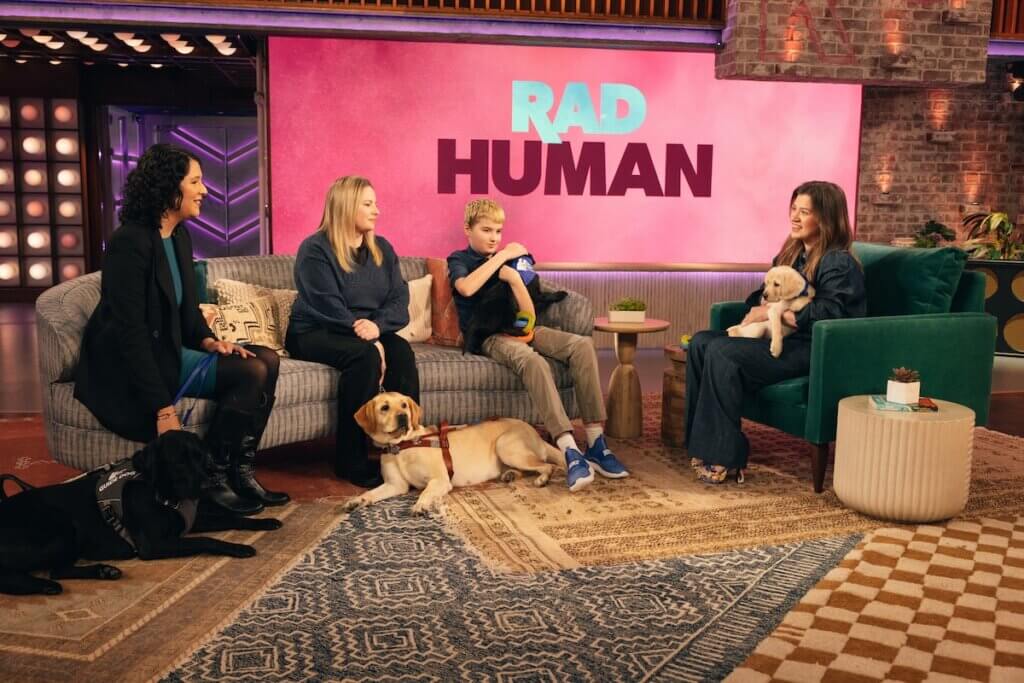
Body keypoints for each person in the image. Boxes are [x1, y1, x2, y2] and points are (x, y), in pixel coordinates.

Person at [75, 143, 289, 514]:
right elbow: (131, 333)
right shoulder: (130, 242)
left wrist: (209, 340)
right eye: (196, 181)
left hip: (169, 349)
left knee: (266, 358)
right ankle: (213, 480)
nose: (204, 190)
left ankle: (239, 471)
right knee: (252, 370)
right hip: (129, 366)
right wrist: (162, 409)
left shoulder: (178, 235)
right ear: (169, 187)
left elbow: (186, 309)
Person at [685, 180, 866, 484]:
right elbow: (762, 294)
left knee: (722, 352)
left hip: (811, 349)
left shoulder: (839, 262)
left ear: (825, 218)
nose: (794, 217)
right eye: (793, 208)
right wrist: (761, 307)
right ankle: (702, 445)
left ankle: (726, 458)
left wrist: (777, 311)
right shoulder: (792, 253)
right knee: (702, 342)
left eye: (804, 211)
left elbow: (830, 314)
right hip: (780, 336)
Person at [447, 198, 628, 493]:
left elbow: (528, 314)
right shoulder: (459, 259)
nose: (494, 237)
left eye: (499, 231)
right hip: (490, 335)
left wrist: (517, 282)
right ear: (467, 229)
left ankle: (595, 443)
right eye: (486, 230)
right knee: (533, 361)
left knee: (581, 345)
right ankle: (568, 449)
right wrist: (502, 262)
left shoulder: (509, 262)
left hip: (522, 326)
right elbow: (466, 287)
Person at [286, 176, 419, 488]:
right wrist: (370, 340)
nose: (377, 211)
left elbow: (400, 300)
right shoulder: (315, 249)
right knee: (364, 359)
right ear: (346, 207)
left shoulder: (381, 249)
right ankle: (351, 461)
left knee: (401, 352)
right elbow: (326, 304)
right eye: (368, 204)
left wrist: (377, 328)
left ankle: (408, 451)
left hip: (366, 328)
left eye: (375, 203)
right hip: (316, 330)